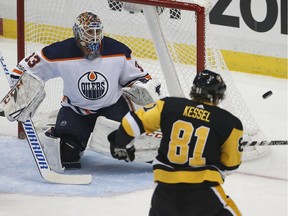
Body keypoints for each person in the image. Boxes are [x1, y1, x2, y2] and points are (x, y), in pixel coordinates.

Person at [7, 11, 160, 169]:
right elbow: (21, 72)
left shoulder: (118, 50)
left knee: (135, 146)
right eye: (89, 32)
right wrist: (21, 92)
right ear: (78, 33)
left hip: (112, 108)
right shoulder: (60, 52)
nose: (94, 37)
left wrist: (144, 87)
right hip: (76, 110)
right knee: (67, 156)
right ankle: (60, 130)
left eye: (97, 32)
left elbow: (140, 78)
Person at [108, 69, 243, 216]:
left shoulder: (168, 105)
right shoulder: (230, 123)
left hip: (164, 193)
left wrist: (122, 144)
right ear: (219, 95)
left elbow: (130, 124)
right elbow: (231, 165)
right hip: (203, 195)